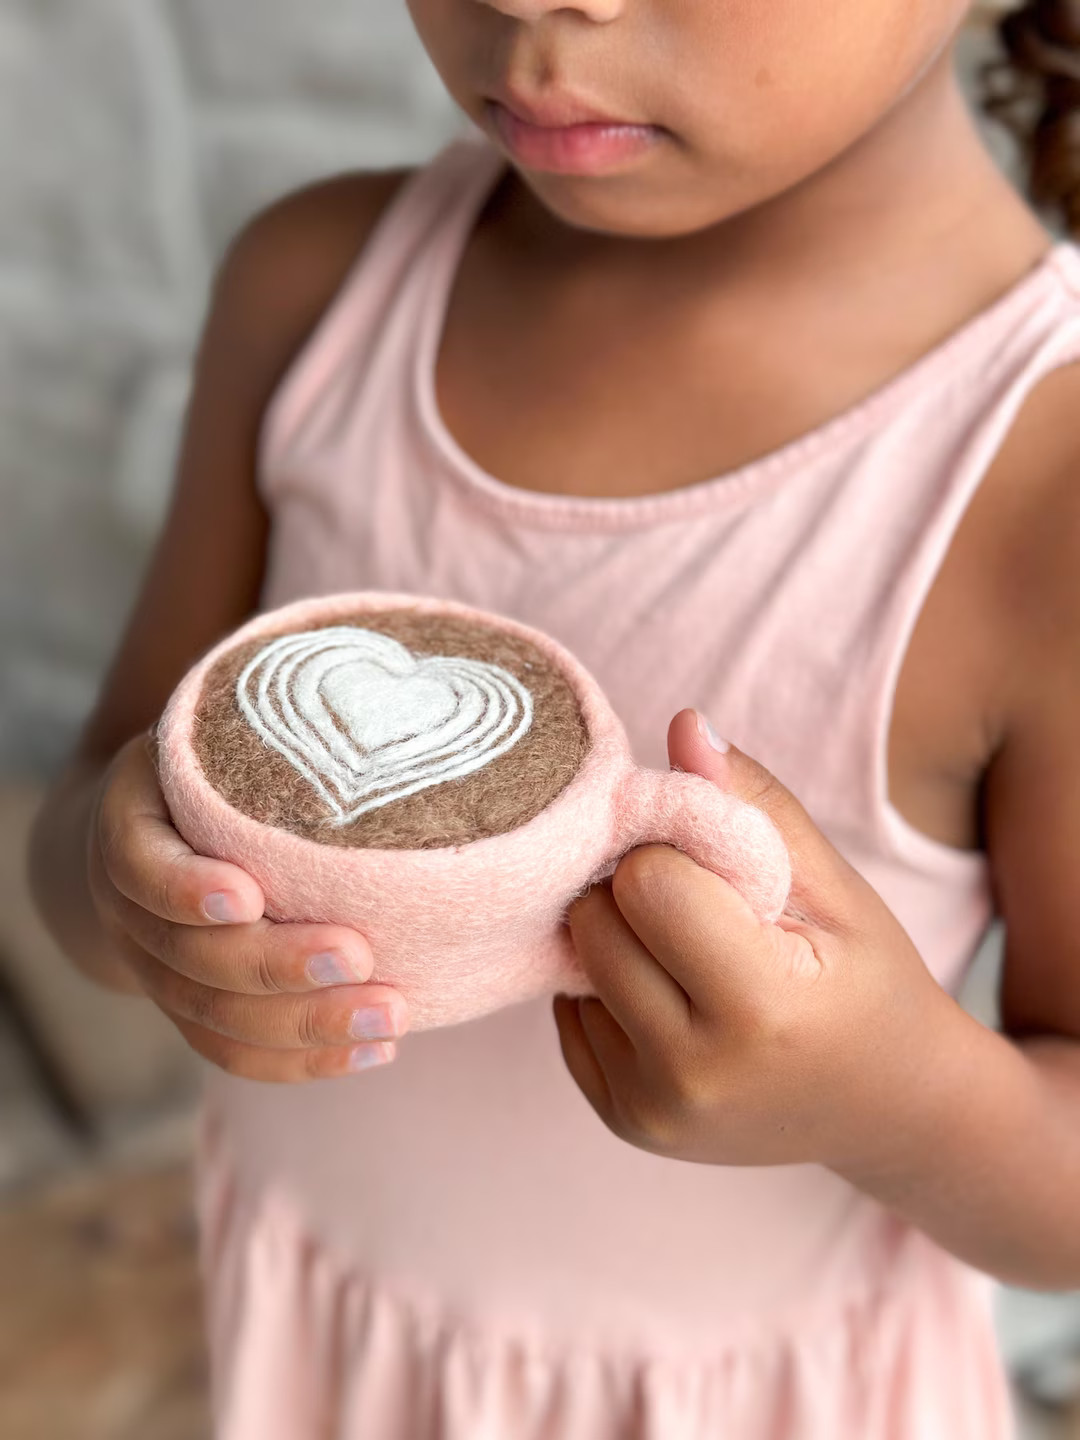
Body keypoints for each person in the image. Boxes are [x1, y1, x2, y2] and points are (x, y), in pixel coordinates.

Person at [26, 1, 1080, 1434]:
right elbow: (96, 821)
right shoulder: (317, 290)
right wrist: (126, 885)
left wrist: (891, 1099)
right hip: (325, 1350)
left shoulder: (1041, 489)